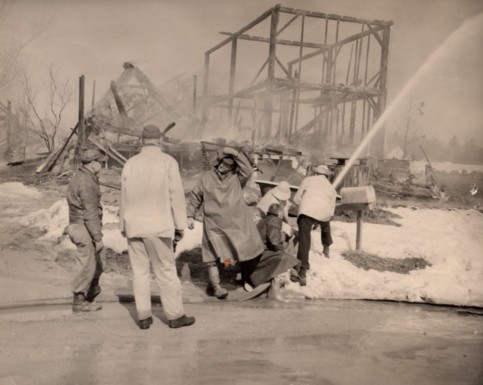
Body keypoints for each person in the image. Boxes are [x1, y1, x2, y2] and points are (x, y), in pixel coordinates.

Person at [119, 125, 195, 330]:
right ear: (159, 140)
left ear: (142, 141)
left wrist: (122, 225)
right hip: (158, 226)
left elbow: (123, 196)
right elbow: (176, 196)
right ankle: (174, 316)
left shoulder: (130, 163)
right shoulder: (168, 162)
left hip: (134, 226)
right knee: (166, 272)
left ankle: (143, 317)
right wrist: (180, 225)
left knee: (140, 273)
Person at [187, 147, 265, 299]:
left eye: (228, 165)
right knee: (211, 256)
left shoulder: (237, 178)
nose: (223, 166)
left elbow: (248, 171)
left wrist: (237, 154)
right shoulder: (207, 177)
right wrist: (190, 215)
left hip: (232, 225)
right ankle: (216, 287)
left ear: (233, 167)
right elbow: (196, 195)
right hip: (212, 223)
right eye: (222, 163)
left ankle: (214, 281)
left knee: (228, 256)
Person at [66, 148, 107, 312]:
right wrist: (98, 238)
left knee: (96, 261)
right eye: (100, 162)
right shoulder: (86, 182)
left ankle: (90, 293)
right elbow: (90, 213)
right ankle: (79, 300)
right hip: (84, 227)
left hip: (79, 225)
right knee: (87, 264)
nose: (102, 165)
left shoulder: (82, 177)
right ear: (92, 163)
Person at [240, 203, 299, 300]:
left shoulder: (263, 220)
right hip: (257, 256)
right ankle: (269, 287)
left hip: (249, 258)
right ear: (280, 214)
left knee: (283, 256)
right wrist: (282, 251)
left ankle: (253, 280)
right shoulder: (275, 220)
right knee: (284, 258)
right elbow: (274, 241)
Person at [292, 164, 337, 286]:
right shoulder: (331, 188)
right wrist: (319, 219)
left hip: (307, 211)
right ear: (326, 175)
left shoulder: (308, 180)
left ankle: (302, 272)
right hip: (323, 213)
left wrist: (306, 207)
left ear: (316, 173)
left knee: (304, 239)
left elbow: (296, 199)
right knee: (326, 223)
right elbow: (331, 212)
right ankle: (326, 247)